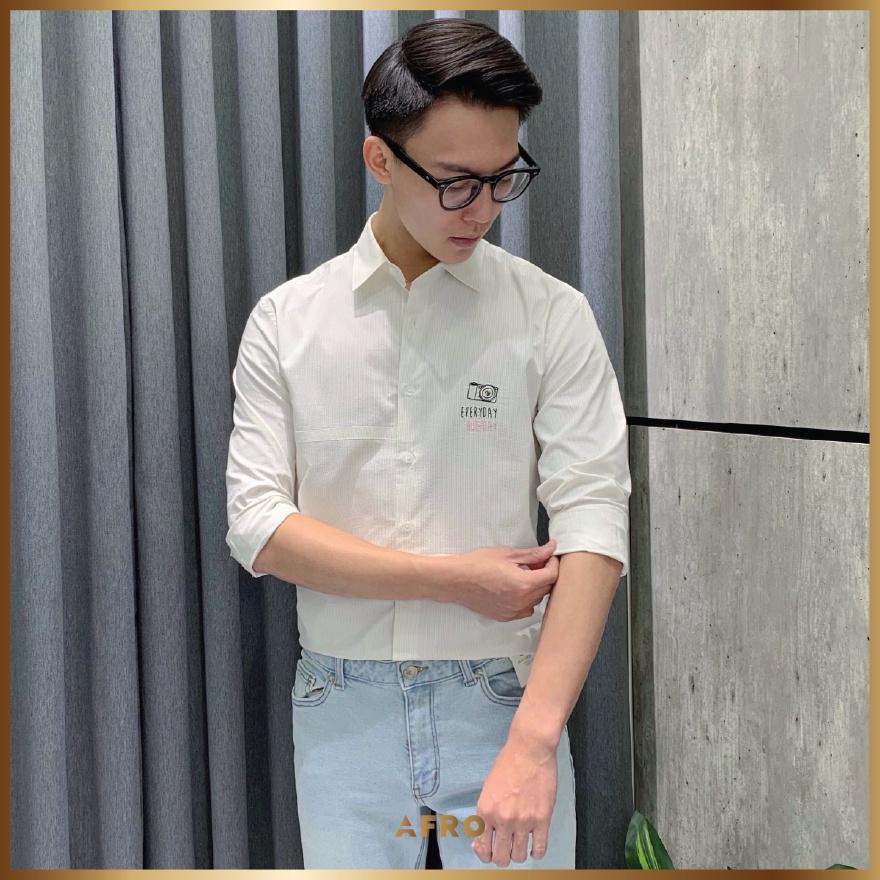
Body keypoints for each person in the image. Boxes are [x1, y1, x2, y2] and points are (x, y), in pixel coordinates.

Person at [224, 17, 631, 870]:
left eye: (503, 177)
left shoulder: (550, 315)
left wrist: (534, 742)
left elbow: (595, 524)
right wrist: (451, 578)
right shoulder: (289, 323)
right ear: (381, 160)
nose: (483, 209)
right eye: (455, 183)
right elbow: (259, 528)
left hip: (503, 701)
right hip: (342, 705)